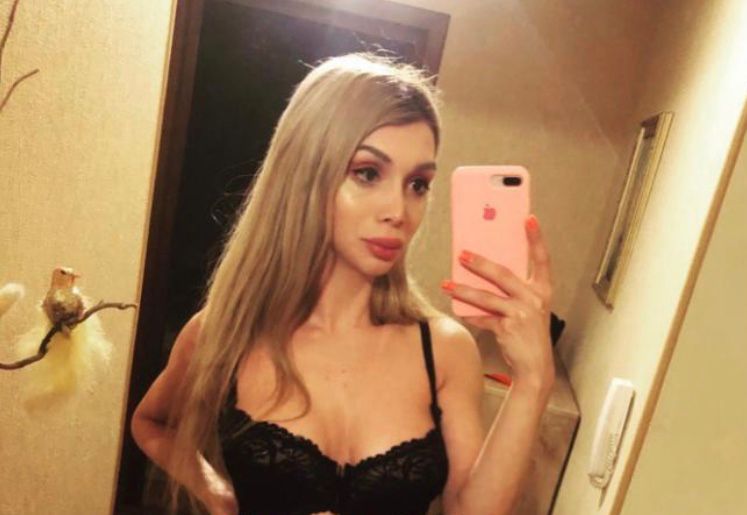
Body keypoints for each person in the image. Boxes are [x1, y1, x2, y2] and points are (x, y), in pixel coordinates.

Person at [130, 52, 555, 515]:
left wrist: (532, 382)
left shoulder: (444, 350)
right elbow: (151, 423)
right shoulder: (225, 332)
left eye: (417, 183)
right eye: (367, 173)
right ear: (305, 174)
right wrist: (218, 493)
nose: (398, 210)